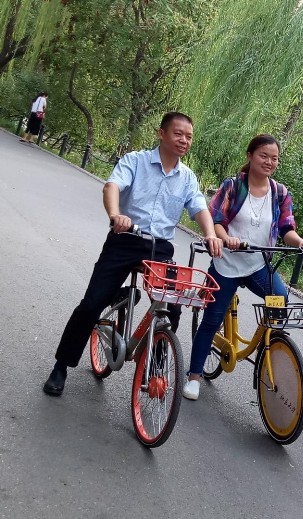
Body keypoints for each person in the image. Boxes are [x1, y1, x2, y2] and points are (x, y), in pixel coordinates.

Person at [43, 112, 223, 396]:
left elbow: (199, 207)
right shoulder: (135, 161)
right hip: (124, 239)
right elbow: (112, 186)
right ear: (161, 133)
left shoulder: (187, 177)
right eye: (178, 134)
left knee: (172, 308)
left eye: (189, 136)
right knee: (91, 305)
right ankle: (61, 366)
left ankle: (154, 368)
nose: (184, 140)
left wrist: (211, 234)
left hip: (159, 248)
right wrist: (116, 215)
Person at [183, 134, 303, 401]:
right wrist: (226, 238)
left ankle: (267, 348)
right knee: (211, 321)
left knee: (281, 300)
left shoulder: (280, 193)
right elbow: (216, 220)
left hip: (258, 265)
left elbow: (286, 228)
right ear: (250, 156)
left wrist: (301, 242)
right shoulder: (233, 186)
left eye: (274, 158)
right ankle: (194, 376)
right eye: (263, 156)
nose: (269, 162)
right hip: (227, 264)